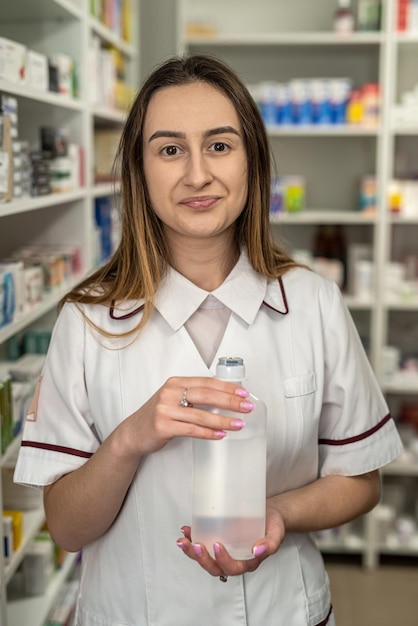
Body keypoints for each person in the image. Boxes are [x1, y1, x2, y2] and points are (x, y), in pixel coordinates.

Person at [14, 54, 403, 626]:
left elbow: (360, 480)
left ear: (253, 161)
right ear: (140, 172)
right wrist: (130, 439)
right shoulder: (89, 319)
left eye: (220, 145)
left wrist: (276, 514)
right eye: (170, 150)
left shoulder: (313, 302)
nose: (197, 174)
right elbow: (68, 528)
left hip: (283, 611)